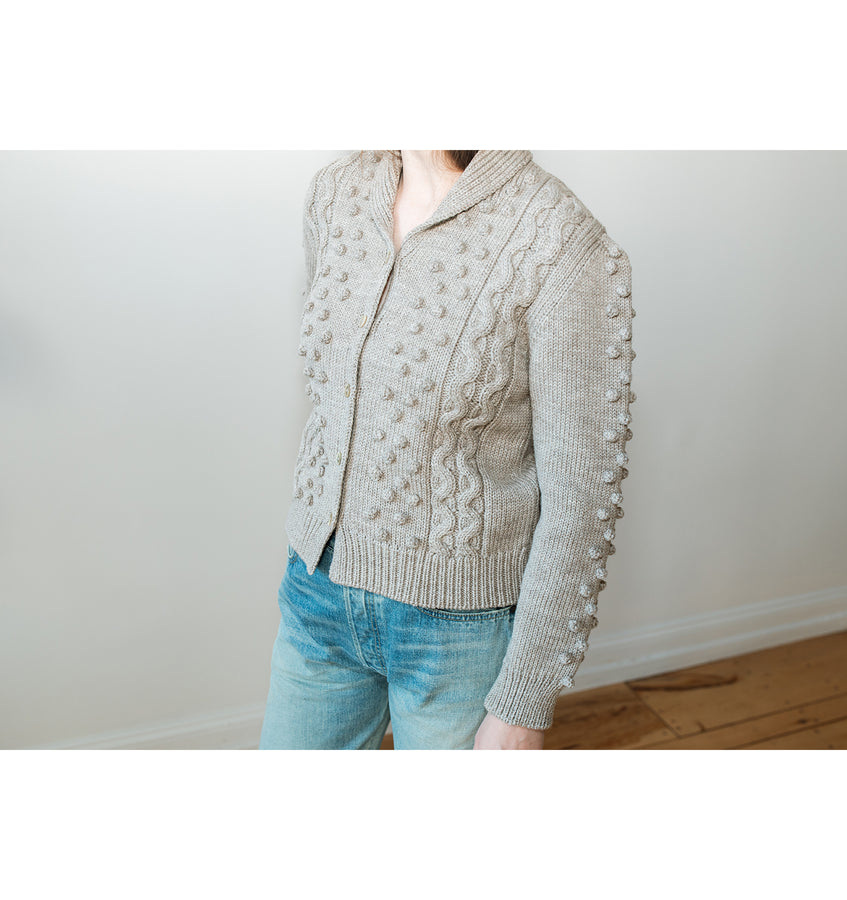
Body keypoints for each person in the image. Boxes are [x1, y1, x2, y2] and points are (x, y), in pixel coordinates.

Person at [258, 149, 635, 750]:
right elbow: (338, 399)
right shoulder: (336, 193)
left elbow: (582, 499)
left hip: (456, 630)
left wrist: (524, 703)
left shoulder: (560, 239)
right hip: (316, 592)